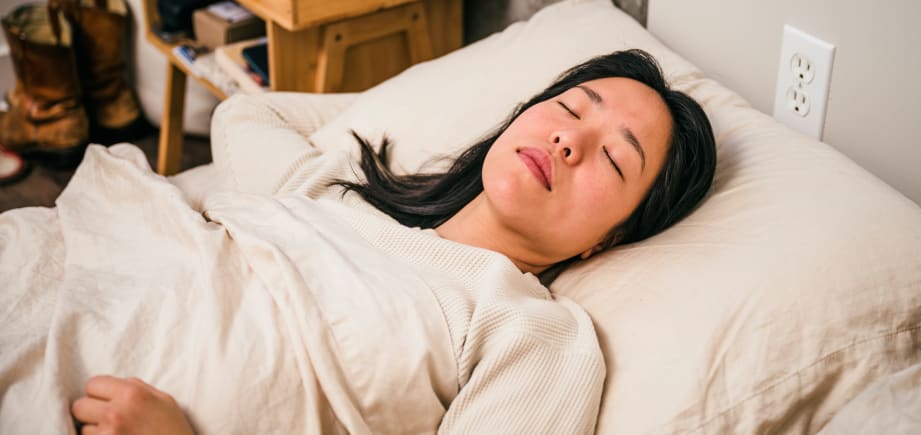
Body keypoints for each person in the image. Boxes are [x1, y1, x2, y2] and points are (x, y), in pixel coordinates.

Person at [66, 49, 717, 434]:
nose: (569, 140)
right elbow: (246, 111)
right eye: (571, 108)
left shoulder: (530, 331)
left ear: (611, 239)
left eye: (613, 159)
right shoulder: (333, 195)